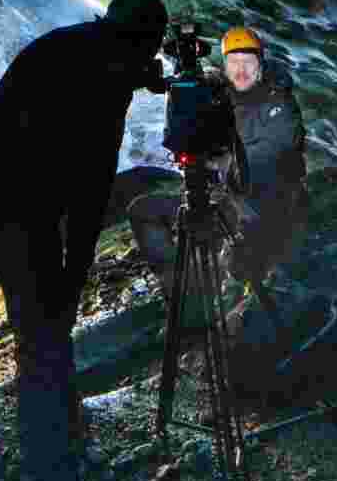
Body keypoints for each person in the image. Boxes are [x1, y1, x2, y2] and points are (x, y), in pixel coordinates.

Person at [0, 0, 168, 481]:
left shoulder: (87, 46)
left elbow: (82, 176)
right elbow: (91, 195)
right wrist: (72, 281)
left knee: (47, 322)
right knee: (43, 331)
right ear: (138, 46)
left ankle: (64, 425)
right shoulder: (105, 78)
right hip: (12, 192)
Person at [128, 25, 309, 299]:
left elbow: (272, 155)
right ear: (225, 65)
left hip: (262, 205)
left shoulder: (278, 103)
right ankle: (184, 293)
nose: (241, 70)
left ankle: (229, 288)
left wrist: (219, 162)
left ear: (260, 64)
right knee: (143, 211)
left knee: (238, 269)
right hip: (222, 199)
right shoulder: (219, 95)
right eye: (233, 63)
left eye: (248, 62)